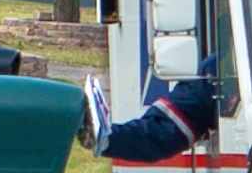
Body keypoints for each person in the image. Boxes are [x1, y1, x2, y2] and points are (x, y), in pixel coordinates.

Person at [80, 57, 218, 161]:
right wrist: (108, 137)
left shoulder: (223, 63)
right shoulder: (222, 65)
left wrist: (107, 138)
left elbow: (167, 130)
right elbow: (170, 128)